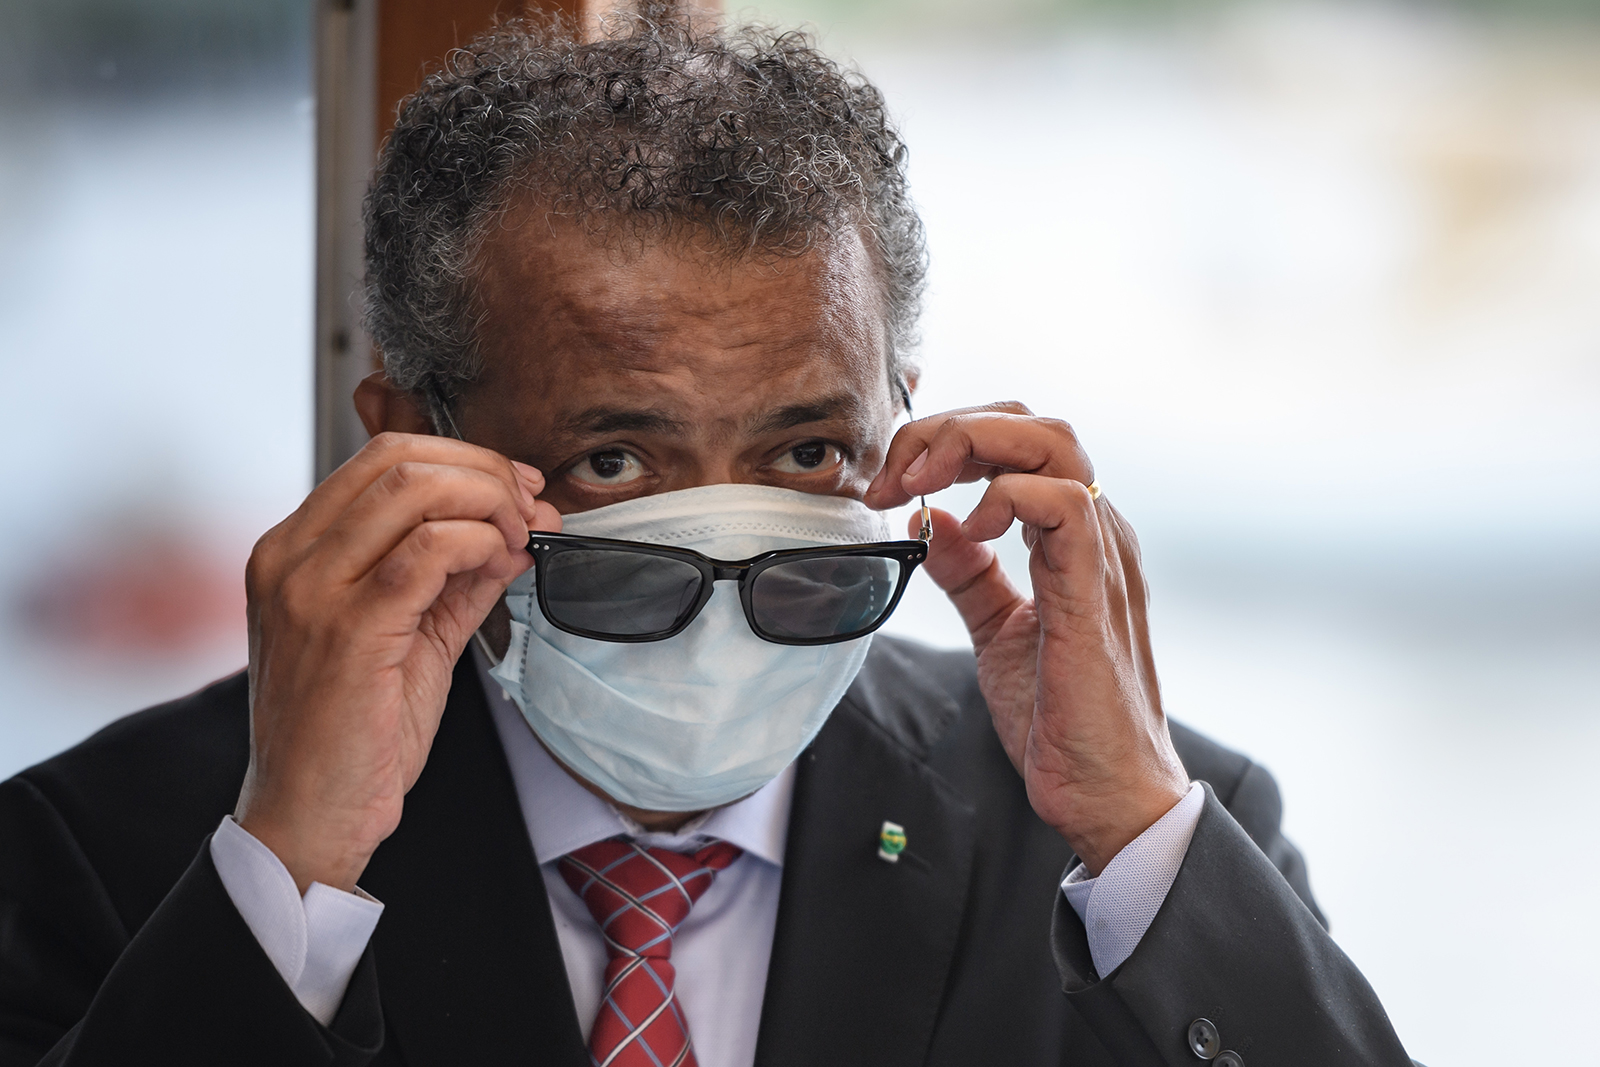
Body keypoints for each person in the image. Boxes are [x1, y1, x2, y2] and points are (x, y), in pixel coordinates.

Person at [0, 15, 1416, 1067]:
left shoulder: (1128, 850)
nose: (732, 539)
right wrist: (293, 868)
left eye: (805, 452)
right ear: (404, 443)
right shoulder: (114, 857)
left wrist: (1137, 828)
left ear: (905, 429)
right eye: (618, 459)